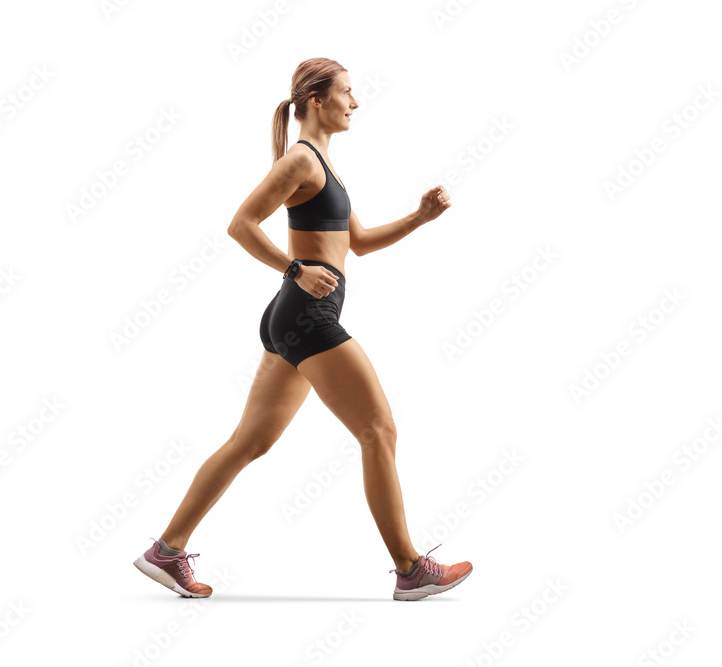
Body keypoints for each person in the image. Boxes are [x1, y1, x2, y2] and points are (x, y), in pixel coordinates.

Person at [133, 57, 472, 601]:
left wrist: (418, 217)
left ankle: (167, 552)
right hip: (305, 317)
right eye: (347, 92)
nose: (355, 103)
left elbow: (356, 243)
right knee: (378, 430)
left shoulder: (325, 165)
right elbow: (240, 224)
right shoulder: (301, 161)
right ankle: (410, 569)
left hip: (296, 319)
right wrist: (293, 267)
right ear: (317, 100)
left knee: (249, 442)